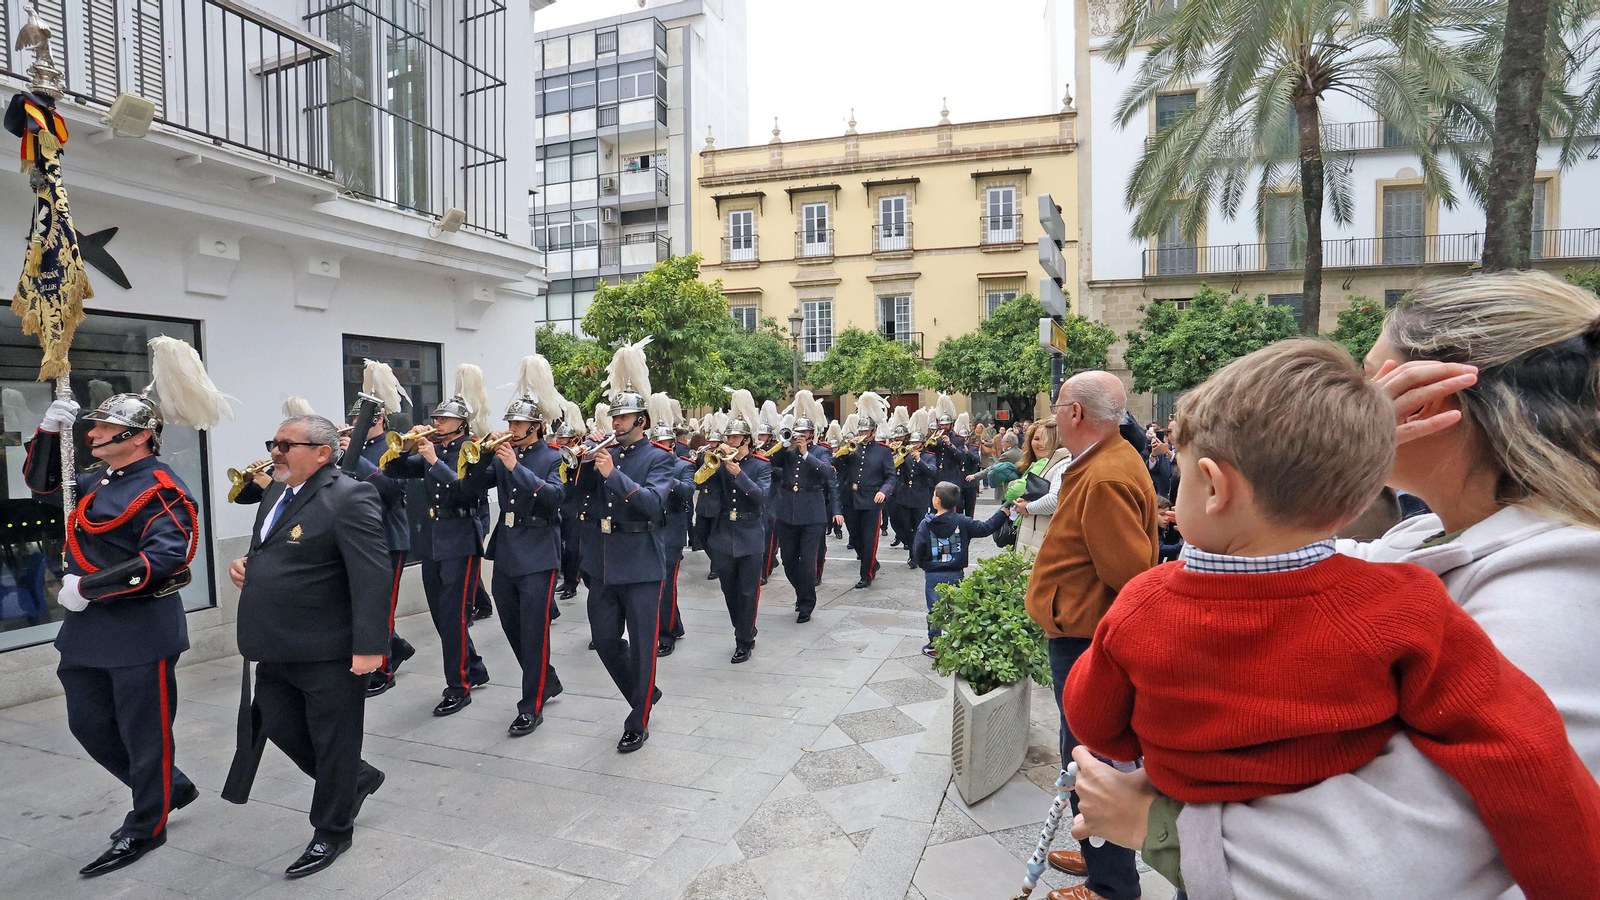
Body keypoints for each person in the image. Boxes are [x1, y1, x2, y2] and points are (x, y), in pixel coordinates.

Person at [1067, 270, 1600, 900]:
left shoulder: (1558, 590)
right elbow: (1304, 565)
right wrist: (1317, 461)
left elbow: (1384, 869)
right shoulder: (1420, 558)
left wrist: (1151, 824)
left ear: (1429, 401)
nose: (1354, 402)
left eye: (1368, 375)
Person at [24, 391, 202, 877]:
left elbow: (166, 558)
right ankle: (171, 787)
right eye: (92, 427)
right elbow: (45, 487)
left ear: (140, 436)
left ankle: (148, 823)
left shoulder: (163, 488)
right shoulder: (99, 478)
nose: (93, 434)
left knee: (145, 737)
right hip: (87, 629)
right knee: (89, 724)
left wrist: (90, 587)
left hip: (139, 627)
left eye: (104, 428)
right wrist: (46, 434)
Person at [231, 415, 391, 878]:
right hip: (275, 643)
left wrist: (370, 648)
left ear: (323, 452)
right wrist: (246, 564)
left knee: (334, 740)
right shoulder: (276, 492)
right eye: (274, 442)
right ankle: (356, 779)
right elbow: (269, 549)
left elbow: (372, 574)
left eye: (287, 444)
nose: (276, 451)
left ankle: (332, 830)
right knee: (279, 725)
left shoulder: (349, 495)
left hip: (329, 649)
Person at [1022, 371, 1158, 900]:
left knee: (1090, 759)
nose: (1055, 416)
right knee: (1081, 754)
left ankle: (1110, 886)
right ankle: (1094, 849)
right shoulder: (1102, 462)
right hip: (1081, 635)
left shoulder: (1103, 475)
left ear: (1076, 413)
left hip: (1087, 642)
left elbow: (1129, 578)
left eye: (1059, 407)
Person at [570, 339, 675, 752]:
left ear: (642, 421)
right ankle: (644, 690)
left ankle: (638, 717)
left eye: (624, 415)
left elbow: (651, 505)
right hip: (603, 562)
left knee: (644, 644)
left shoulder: (660, 458)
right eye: (613, 416)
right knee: (606, 639)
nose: (616, 422)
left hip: (642, 563)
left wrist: (613, 474)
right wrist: (578, 460)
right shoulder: (602, 453)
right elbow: (572, 499)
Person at [382, 373, 491, 717]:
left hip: (460, 537)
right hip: (430, 540)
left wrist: (432, 460)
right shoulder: (436, 448)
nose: (437, 423)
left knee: (455, 616)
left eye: (444, 419)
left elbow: (465, 489)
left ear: (461, 424)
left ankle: (458, 686)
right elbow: (395, 471)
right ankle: (473, 667)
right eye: (435, 418)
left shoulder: (472, 451)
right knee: (442, 617)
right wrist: (405, 446)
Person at [469, 370, 565, 737]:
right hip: (507, 549)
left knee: (534, 632)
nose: (511, 426)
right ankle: (548, 679)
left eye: (518, 422)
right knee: (512, 627)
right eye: (510, 421)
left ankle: (531, 705)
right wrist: (483, 454)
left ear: (535, 427)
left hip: (539, 551)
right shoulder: (505, 453)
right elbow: (475, 484)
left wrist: (514, 467)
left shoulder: (553, 457)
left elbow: (555, 497)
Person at [340, 384, 417, 699]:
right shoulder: (349, 446)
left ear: (380, 419)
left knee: (380, 609)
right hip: (356, 538)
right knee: (360, 607)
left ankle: (383, 670)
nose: (356, 425)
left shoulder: (392, 445)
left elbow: (392, 490)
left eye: (363, 419)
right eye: (354, 419)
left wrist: (355, 456)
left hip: (387, 537)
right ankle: (396, 646)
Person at [912, 482, 1012, 657]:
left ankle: (935, 644)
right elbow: (986, 527)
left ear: (937, 500)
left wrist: (923, 564)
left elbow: (918, 549)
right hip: (956, 572)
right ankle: (956, 641)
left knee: (935, 610)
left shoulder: (925, 524)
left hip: (933, 574)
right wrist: (1002, 513)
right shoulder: (963, 521)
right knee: (957, 608)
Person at [704, 399, 771, 663]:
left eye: (735, 437)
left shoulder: (760, 465)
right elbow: (701, 485)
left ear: (747, 440)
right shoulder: (718, 463)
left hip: (750, 533)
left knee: (747, 592)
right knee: (730, 591)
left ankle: (743, 639)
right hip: (722, 535)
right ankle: (742, 628)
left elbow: (761, 498)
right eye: (728, 437)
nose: (730, 441)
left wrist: (739, 473)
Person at [770, 409, 840, 623]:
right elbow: (773, 462)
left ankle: (806, 604)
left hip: (812, 513)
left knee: (807, 562)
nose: (799, 435)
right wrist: (784, 444)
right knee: (788, 561)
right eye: (797, 431)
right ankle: (802, 593)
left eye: (803, 432)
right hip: (788, 512)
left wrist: (806, 454)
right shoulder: (788, 451)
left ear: (811, 434)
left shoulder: (820, 452)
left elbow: (828, 473)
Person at [833, 395, 898, 589]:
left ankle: (866, 575)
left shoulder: (883, 451)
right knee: (856, 538)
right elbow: (835, 465)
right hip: (851, 498)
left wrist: (884, 491)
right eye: (861, 430)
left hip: (871, 499)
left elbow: (891, 476)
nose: (863, 433)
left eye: (866, 430)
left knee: (870, 540)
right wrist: (843, 451)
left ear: (874, 430)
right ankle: (872, 563)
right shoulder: (852, 449)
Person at [651, 419, 694, 656]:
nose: (659, 446)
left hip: (671, 534)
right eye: (655, 443)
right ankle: (674, 625)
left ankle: (665, 636)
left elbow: (688, 491)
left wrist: (668, 478)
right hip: (650, 532)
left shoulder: (682, 466)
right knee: (658, 586)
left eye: (664, 443)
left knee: (665, 588)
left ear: (673, 444)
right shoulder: (646, 464)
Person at [1010, 419, 1072, 553]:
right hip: (1034, 542)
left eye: (1046, 439)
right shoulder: (1050, 463)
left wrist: (1027, 507)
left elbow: (1054, 501)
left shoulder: (1062, 465)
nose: (1041, 444)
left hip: (1043, 543)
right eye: (1037, 438)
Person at [891, 431, 937, 566]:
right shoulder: (905, 455)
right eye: (911, 443)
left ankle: (915, 555)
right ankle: (911, 548)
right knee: (904, 527)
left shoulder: (929, 457)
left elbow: (931, 471)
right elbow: (893, 467)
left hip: (919, 496)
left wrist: (919, 460)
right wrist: (896, 453)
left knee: (918, 527)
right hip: (904, 496)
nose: (913, 445)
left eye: (916, 443)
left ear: (922, 444)